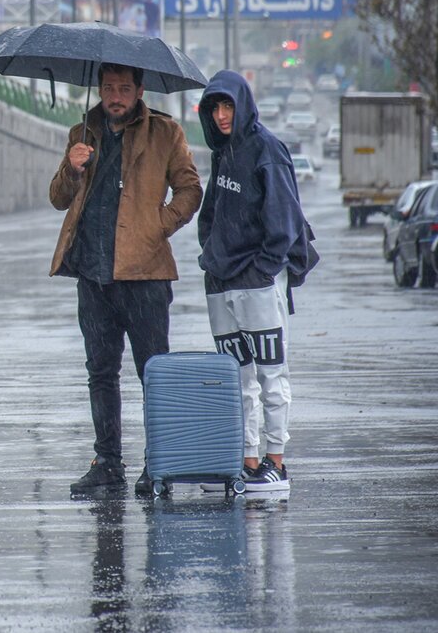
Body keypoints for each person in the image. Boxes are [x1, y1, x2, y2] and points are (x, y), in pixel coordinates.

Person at [49, 63, 203, 497]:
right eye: (108, 88)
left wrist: (157, 226)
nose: (114, 96)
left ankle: (159, 463)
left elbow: (190, 190)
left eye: (123, 88)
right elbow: (58, 198)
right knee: (100, 372)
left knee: (154, 373)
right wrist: (72, 168)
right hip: (92, 274)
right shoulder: (82, 134)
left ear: (139, 91)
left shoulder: (165, 133)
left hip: (145, 275)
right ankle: (108, 463)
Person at [197, 70, 310, 493]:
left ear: (243, 104)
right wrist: (210, 255)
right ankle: (247, 460)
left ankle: (275, 462)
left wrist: (263, 269)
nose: (221, 115)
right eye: (214, 108)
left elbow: (285, 220)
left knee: (270, 375)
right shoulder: (222, 152)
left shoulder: (267, 149)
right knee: (237, 379)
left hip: (258, 282)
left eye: (228, 105)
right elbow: (210, 213)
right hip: (221, 283)